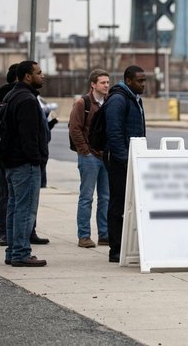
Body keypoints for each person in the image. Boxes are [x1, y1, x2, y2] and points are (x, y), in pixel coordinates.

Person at [0, 63, 47, 246]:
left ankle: (12, 251)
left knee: (14, 208)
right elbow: (29, 136)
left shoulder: (12, 95)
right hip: (25, 165)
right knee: (24, 210)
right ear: (27, 76)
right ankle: (21, 252)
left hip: (11, 162)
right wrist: (36, 160)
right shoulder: (27, 100)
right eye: (39, 73)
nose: (43, 76)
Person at [104, 65, 147, 263]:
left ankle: (127, 246)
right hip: (121, 161)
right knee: (118, 204)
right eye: (140, 81)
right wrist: (124, 159)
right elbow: (114, 133)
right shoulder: (118, 99)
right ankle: (116, 248)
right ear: (128, 80)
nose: (143, 84)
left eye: (144, 80)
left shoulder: (134, 99)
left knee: (129, 203)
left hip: (132, 159)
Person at [69, 69, 111, 248]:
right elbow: (74, 128)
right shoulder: (83, 103)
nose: (106, 85)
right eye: (103, 82)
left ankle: (105, 234)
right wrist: (85, 151)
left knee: (106, 197)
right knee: (86, 197)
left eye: (108, 82)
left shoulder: (110, 102)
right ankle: (84, 235)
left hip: (106, 156)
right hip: (89, 158)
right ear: (93, 84)